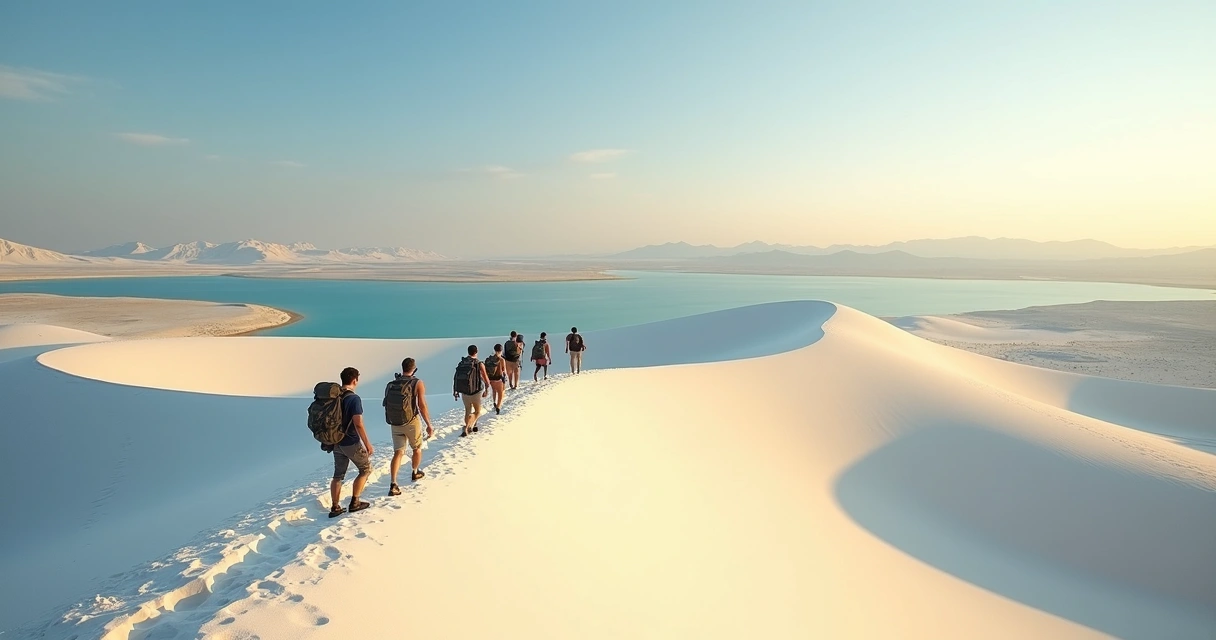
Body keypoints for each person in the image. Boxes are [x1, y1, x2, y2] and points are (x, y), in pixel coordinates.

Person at [383, 358, 433, 495]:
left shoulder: (392, 384)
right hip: (411, 421)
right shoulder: (417, 383)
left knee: (398, 452)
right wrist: (428, 424)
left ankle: (393, 483)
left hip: (395, 422)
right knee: (416, 448)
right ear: (414, 368)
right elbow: (421, 406)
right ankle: (415, 472)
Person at [329, 367, 373, 518]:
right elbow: (358, 423)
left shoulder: (334, 397)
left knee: (338, 475)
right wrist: (367, 443)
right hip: (351, 442)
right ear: (355, 380)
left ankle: (335, 507)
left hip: (336, 442)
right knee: (365, 469)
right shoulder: (354, 399)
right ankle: (355, 502)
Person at [453, 344, 490, 437]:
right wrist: (487, 388)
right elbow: (486, 378)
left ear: (468, 352)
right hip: (476, 391)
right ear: (476, 352)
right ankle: (467, 426)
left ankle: (470, 426)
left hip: (464, 391)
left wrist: (455, 390)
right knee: (477, 411)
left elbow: (456, 377)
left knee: (467, 410)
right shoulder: (479, 363)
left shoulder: (462, 363)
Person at [484, 344, 506, 414]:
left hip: (491, 379)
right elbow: (504, 371)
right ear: (501, 350)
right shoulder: (501, 360)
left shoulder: (489, 359)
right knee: (501, 393)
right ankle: (498, 407)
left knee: (494, 390)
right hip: (498, 379)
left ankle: (494, 402)